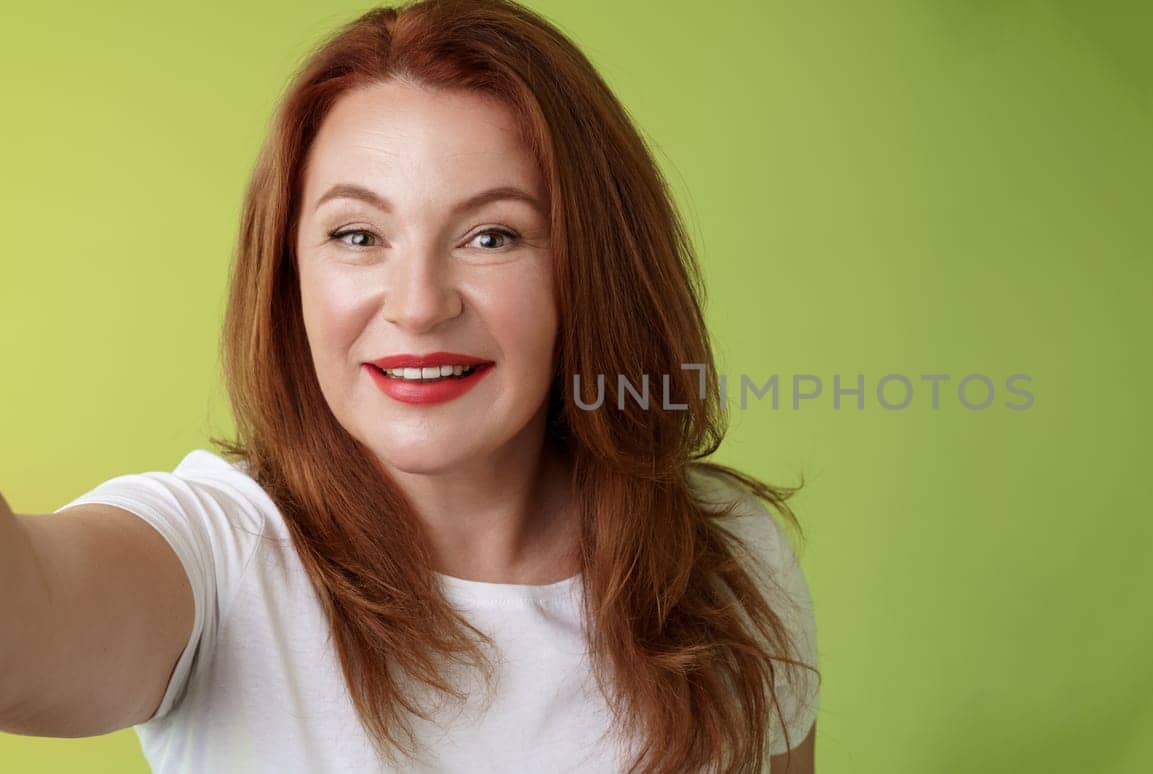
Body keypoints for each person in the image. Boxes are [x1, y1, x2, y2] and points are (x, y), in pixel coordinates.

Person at [0, 0, 819, 771]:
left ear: (591, 269)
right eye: (358, 234)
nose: (420, 306)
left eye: (493, 236)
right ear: (289, 275)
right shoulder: (218, 552)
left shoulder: (729, 554)